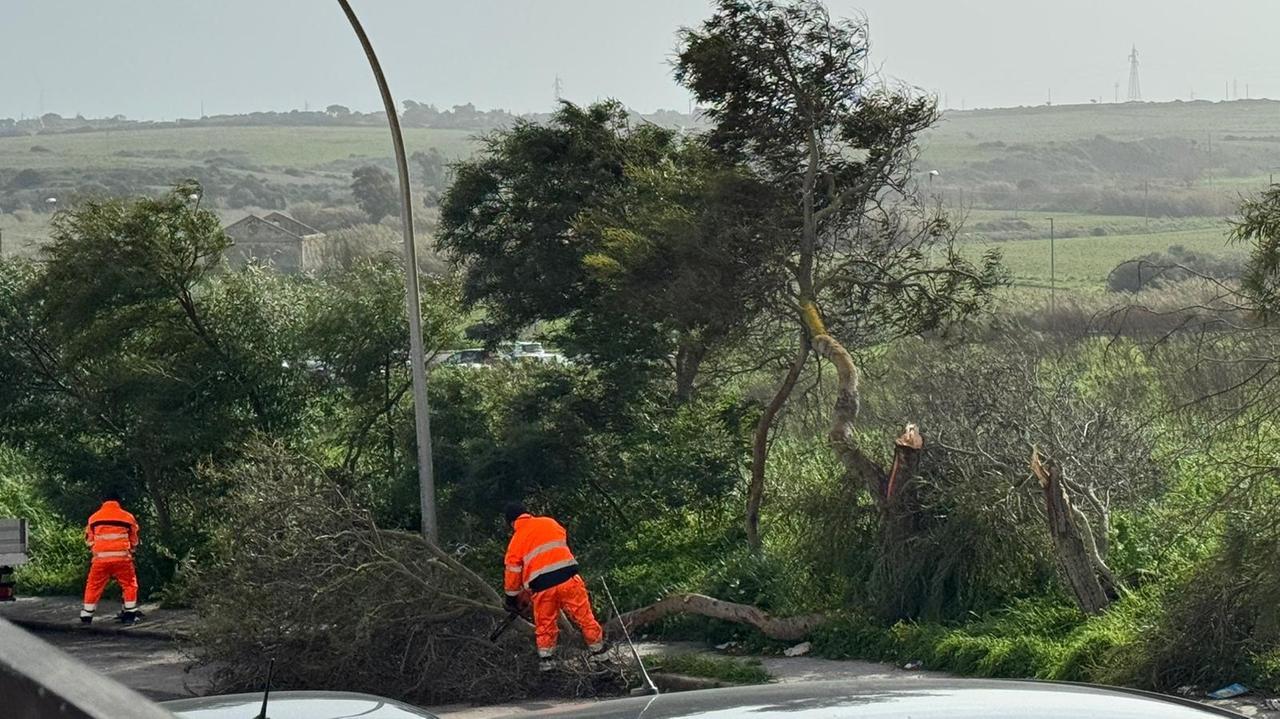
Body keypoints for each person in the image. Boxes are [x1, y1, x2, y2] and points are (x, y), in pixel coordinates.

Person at [502, 502, 607, 669]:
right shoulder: (549, 522)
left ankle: (547, 664)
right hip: (569, 579)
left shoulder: (516, 540)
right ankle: (601, 657)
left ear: (511, 523)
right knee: (585, 618)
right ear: (527, 514)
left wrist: (511, 599)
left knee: (545, 626)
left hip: (543, 588)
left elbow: (512, 573)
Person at [81, 490, 141, 625]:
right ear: (119, 502)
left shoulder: (94, 518)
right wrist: (131, 548)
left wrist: (97, 549)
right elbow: (134, 539)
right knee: (129, 584)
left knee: (93, 585)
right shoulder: (127, 517)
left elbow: (89, 540)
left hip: (100, 560)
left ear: (103, 502)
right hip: (123, 559)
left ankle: (87, 615)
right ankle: (130, 614)